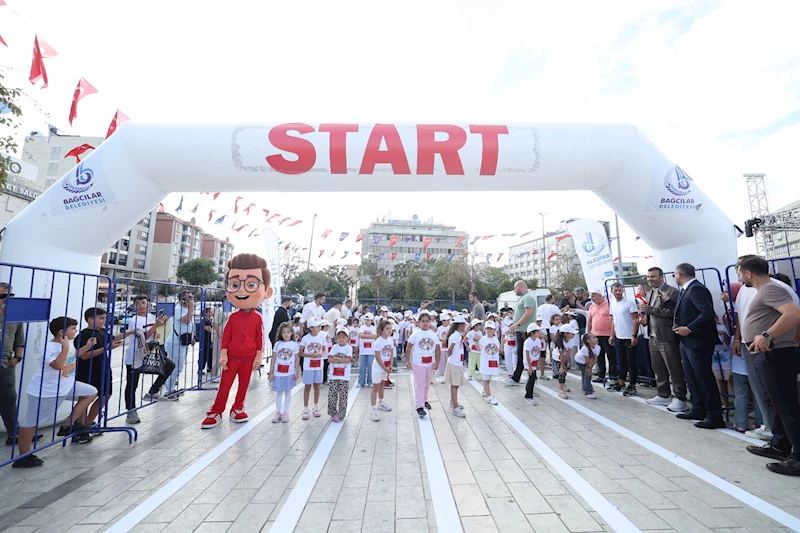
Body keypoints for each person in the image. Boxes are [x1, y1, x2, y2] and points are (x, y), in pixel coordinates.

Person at [737, 255, 800, 475]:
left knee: (787, 406)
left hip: (776, 354)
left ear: (748, 273)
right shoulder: (764, 291)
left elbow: (793, 314)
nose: (738, 276)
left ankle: (798, 458)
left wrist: (766, 335)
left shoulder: (771, 289)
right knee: (776, 404)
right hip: (768, 354)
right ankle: (781, 445)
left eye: (739, 271)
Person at [13, 317, 98, 468]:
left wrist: (86, 347)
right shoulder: (50, 348)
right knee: (31, 424)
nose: (76, 331)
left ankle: (68, 424)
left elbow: (72, 356)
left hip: (65, 386)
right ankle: (23, 456)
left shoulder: (67, 345)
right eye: (73, 328)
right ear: (61, 332)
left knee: (91, 392)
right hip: (46, 391)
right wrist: (65, 348)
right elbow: (57, 365)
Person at [201, 253, 271, 429]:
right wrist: (224, 354)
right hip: (231, 358)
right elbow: (226, 336)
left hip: (248, 358)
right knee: (224, 386)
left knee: (243, 385)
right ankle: (216, 411)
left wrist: (258, 355)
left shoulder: (258, 318)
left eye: (251, 285)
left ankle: (237, 408)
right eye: (235, 285)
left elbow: (259, 337)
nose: (242, 291)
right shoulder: (232, 317)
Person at [672, 263, 725, 429]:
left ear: (679, 274)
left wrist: (690, 328)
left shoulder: (696, 289)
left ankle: (714, 415)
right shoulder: (686, 289)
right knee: (692, 377)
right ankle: (698, 408)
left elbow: (707, 312)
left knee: (704, 378)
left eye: (674, 274)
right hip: (687, 341)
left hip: (698, 341)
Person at [75, 308, 134, 431]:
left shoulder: (101, 331)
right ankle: (81, 427)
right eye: (101, 318)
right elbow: (84, 355)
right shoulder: (84, 335)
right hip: (88, 371)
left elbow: (112, 338)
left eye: (104, 318)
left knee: (105, 395)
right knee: (84, 398)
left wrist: (131, 332)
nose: (104, 321)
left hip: (103, 369)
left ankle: (88, 423)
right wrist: (107, 348)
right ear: (90, 320)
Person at [639, 267, 689, 412]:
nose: (650, 279)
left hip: (667, 336)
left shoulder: (672, 292)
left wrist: (650, 310)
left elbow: (673, 313)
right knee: (658, 367)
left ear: (662, 277)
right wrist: (645, 320)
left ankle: (680, 397)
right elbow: (650, 313)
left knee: (674, 368)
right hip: (653, 336)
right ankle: (663, 394)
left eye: (653, 277)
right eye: (648, 277)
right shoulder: (650, 293)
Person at [0, 283, 42, 447]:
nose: (7, 300)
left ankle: (14, 433)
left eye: (11, 296)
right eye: (3, 296)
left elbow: (19, 338)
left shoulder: (15, 315)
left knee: (9, 399)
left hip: (5, 364)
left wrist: (17, 357)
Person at [124, 296, 170, 424]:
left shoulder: (149, 316)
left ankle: (153, 391)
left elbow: (151, 334)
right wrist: (156, 326)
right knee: (132, 384)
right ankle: (130, 411)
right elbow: (143, 337)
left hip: (149, 352)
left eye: (143, 303)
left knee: (168, 366)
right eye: (138, 304)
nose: (141, 306)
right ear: (134, 306)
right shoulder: (135, 320)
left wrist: (156, 332)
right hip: (136, 354)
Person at [608, 282, 640, 396]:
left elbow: (636, 320)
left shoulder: (629, 303)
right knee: (621, 361)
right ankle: (621, 382)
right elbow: (613, 321)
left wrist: (634, 335)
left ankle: (632, 384)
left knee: (631, 362)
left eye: (619, 290)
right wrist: (612, 335)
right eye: (615, 290)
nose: (618, 292)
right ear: (612, 291)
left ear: (623, 291)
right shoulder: (612, 304)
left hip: (629, 337)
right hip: (619, 337)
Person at [407, 311, 439, 417]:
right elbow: (409, 347)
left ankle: (425, 400)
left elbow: (438, 349)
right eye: (423, 321)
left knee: (427, 385)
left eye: (427, 321)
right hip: (419, 363)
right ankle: (419, 406)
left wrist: (437, 362)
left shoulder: (433, 335)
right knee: (419, 385)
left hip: (430, 363)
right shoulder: (415, 334)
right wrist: (408, 360)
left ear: (430, 322)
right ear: (419, 322)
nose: (425, 323)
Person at [165, 289, 196, 397]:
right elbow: (186, 320)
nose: (191, 300)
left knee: (179, 367)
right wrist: (191, 308)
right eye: (189, 298)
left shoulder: (186, 309)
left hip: (184, 342)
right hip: (175, 343)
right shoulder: (178, 309)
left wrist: (192, 337)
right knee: (176, 367)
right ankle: (168, 390)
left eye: (191, 298)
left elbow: (189, 325)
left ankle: (171, 387)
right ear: (182, 300)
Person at [507, 281, 538, 385]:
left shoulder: (527, 297)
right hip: (522, 329)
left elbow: (528, 313)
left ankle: (518, 377)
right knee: (522, 354)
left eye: (515, 288)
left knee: (523, 354)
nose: (515, 290)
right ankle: (524, 376)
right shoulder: (525, 297)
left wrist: (517, 324)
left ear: (521, 287)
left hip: (524, 330)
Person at [270, 322, 300, 423]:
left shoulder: (294, 345)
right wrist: (271, 372)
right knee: (279, 392)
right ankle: (278, 411)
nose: (286, 334)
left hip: (289, 373)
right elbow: (273, 359)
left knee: (287, 391)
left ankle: (286, 412)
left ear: (292, 333)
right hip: (278, 373)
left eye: (288, 332)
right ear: (280, 333)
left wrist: (297, 372)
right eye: (283, 332)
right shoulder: (278, 344)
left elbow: (296, 359)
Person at [586, 289, 616, 384]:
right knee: (599, 355)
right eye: (591, 296)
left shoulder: (609, 305)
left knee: (611, 356)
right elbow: (590, 320)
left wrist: (612, 334)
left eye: (594, 296)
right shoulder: (592, 307)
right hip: (596, 335)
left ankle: (613, 375)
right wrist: (588, 333)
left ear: (600, 296)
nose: (592, 298)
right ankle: (601, 374)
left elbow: (613, 320)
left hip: (607, 334)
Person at [299, 317, 326, 420]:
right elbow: (300, 352)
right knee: (307, 386)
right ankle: (305, 407)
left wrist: (321, 354)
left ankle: (316, 405)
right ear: (311, 328)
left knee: (317, 386)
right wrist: (310, 355)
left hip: (318, 365)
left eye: (320, 326)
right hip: (308, 366)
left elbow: (324, 349)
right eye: (317, 326)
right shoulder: (306, 338)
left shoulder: (322, 337)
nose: (319, 327)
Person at [444, 315, 468, 418]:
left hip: (457, 362)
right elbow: (450, 349)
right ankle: (455, 407)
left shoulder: (457, 335)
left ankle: (453, 402)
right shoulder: (456, 336)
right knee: (455, 385)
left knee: (456, 384)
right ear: (460, 325)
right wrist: (450, 354)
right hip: (454, 363)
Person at [370, 321, 394, 421]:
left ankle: (382, 402)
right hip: (378, 367)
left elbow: (391, 353)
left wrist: (391, 365)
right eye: (387, 329)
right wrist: (384, 368)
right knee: (375, 387)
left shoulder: (390, 340)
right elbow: (377, 356)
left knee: (382, 385)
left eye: (390, 328)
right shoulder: (378, 342)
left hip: (386, 366)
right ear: (381, 330)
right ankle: (373, 409)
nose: (389, 330)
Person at [328, 327, 353, 422]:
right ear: (336, 338)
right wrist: (341, 359)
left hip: (344, 376)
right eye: (339, 337)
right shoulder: (334, 347)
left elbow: (348, 360)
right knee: (332, 395)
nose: (341, 339)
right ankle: (333, 413)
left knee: (343, 396)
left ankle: (342, 414)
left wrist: (337, 359)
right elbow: (330, 359)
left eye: (344, 337)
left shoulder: (349, 348)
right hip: (334, 376)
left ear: (347, 338)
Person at [479, 321, 500, 405]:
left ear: (494, 329)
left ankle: (485, 390)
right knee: (486, 378)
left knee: (489, 377)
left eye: (491, 328)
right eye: (487, 328)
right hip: (485, 362)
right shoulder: (483, 339)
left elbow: (497, 349)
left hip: (493, 361)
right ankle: (489, 396)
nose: (489, 330)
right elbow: (480, 348)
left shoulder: (495, 339)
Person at [553, 324, 578, 399]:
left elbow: (568, 353)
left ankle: (563, 384)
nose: (573, 335)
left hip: (564, 357)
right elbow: (561, 355)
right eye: (572, 333)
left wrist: (564, 365)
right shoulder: (560, 342)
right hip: (558, 357)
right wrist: (562, 366)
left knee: (565, 371)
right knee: (562, 372)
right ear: (566, 334)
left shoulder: (570, 341)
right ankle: (560, 390)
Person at [576, 333, 600, 399]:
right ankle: (588, 392)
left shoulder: (598, 347)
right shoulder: (585, 348)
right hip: (580, 361)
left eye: (596, 337)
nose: (596, 339)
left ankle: (585, 387)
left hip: (587, 362)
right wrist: (588, 369)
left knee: (587, 373)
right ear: (588, 341)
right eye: (594, 337)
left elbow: (595, 359)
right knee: (587, 374)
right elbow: (587, 360)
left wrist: (590, 368)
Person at [523, 323, 542, 406]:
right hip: (529, 362)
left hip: (535, 361)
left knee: (533, 377)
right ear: (532, 333)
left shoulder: (538, 341)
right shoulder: (528, 342)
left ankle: (529, 389)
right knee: (532, 377)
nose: (539, 333)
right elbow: (527, 354)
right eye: (537, 332)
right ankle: (528, 396)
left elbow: (538, 352)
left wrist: (538, 363)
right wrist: (530, 367)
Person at [358, 313, 377, 388]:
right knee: (362, 366)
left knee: (370, 366)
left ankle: (370, 381)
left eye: (368, 320)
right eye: (366, 320)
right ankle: (361, 381)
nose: (366, 321)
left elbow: (374, 336)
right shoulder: (362, 327)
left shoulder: (373, 328)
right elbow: (360, 335)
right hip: (363, 350)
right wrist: (370, 336)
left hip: (371, 350)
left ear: (372, 320)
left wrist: (365, 336)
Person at [201, 307, 215, 374]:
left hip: (210, 339)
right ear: (206, 313)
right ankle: (201, 368)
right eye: (210, 312)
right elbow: (210, 330)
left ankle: (210, 367)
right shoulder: (205, 321)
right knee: (204, 354)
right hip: (205, 340)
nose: (212, 313)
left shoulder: (210, 320)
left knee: (210, 353)